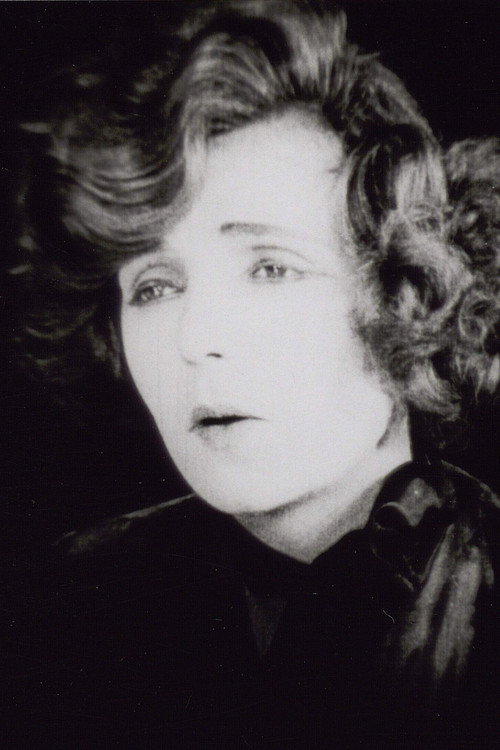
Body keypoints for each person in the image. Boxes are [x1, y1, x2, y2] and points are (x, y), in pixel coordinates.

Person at [4, 1, 499, 748]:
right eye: (154, 287)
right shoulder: (56, 608)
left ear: (406, 288)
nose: (195, 338)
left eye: (271, 268)